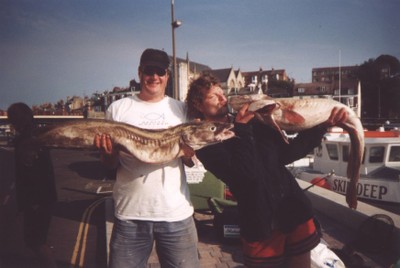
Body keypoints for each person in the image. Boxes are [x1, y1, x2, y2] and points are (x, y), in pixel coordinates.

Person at [186, 74, 348, 268]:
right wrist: (242, 129)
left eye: (222, 93)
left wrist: (320, 128)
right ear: (199, 105)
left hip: (295, 209)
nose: (223, 99)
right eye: (214, 96)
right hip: (260, 222)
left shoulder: (257, 122)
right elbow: (245, 174)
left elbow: (287, 154)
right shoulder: (206, 143)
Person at [94, 48, 200, 268]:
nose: (154, 77)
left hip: (176, 214)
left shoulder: (181, 109)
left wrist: (190, 154)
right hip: (130, 214)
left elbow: (190, 161)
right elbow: (110, 165)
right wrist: (108, 154)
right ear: (140, 72)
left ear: (167, 76)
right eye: (149, 71)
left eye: (160, 72)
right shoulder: (117, 109)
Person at [7, 102, 58, 268]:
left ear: (16, 120)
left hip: (37, 201)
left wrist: (30, 203)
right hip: (45, 199)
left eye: (11, 119)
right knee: (37, 240)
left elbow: (31, 175)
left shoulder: (26, 141)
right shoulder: (37, 136)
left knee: (35, 241)